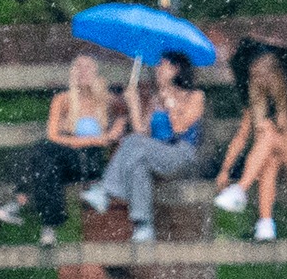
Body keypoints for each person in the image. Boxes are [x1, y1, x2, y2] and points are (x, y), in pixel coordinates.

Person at [0, 53, 124, 245]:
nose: (82, 72)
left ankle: (20, 203)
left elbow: (115, 133)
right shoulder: (62, 100)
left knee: (41, 151)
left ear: (96, 71)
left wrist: (112, 128)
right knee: (45, 160)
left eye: (87, 67)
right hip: (64, 160)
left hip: (89, 163)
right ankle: (48, 227)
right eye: (78, 67)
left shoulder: (107, 101)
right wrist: (95, 138)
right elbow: (53, 135)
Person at [79, 51, 207, 245]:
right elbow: (141, 132)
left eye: (162, 65)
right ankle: (143, 226)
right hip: (152, 153)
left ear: (175, 69)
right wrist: (133, 104)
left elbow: (180, 128)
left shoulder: (194, 96)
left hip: (180, 153)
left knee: (133, 144)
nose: (157, 70)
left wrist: (170, 102)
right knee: (139, 164)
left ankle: (105, 191)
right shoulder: (156, 99)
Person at [214, 51, 287, 243]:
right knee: (270, 159)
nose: (256, 81)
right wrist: (225, 169)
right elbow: (241, 137)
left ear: (273, 74)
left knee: (268, 135)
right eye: (254, 76)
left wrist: (277, 132)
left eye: (260, 75)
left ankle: (240, 190)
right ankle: (266, 224)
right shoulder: (255, 99)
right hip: (271, 157)